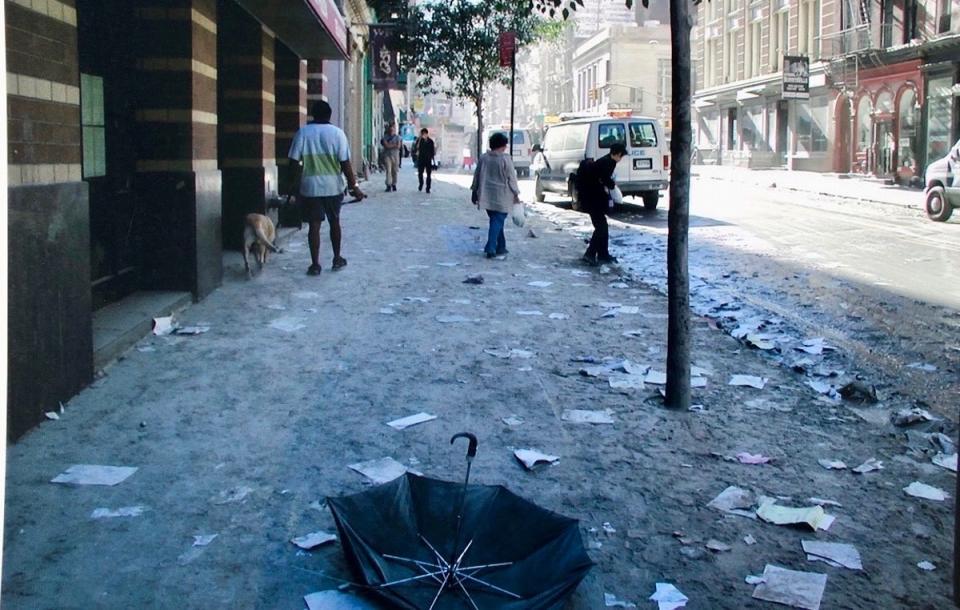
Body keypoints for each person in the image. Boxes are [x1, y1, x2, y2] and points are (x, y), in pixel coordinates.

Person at [288, 100, 366, 276]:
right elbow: (345, 164)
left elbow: (293, 162)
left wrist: (293, 186)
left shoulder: (303, 133)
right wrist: (355, 187)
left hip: (310, 186)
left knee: (314, 226)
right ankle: (337, 258)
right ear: (329, 115)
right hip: (333, 187)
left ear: (313, 114)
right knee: (334, 222)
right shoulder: (338, 134)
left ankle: (315, 264)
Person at [575, 142, 626, 266]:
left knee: (602, 226)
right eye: (621, 156)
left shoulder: (605, 160)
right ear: (618, 154)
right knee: (601, 227)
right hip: (593, 199)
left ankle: (603, 254)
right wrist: (612, 185)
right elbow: (604, 179)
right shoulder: (608, 163)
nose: (621, 159)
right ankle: (590, 254)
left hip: (592, 198)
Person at [471, 132, 520, 259]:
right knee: (497, 222)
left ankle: (501, 246)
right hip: (503, 196)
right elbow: (511, 178)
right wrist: (516, 194)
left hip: (487, 195)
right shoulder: (505, 159)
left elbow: (477, 176)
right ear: (502, 146)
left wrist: (474, 191)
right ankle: (491, 247)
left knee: (496, 221)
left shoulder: (484, 158)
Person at [412, 128, 436, 193]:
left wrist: (432, 157)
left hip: (428, 160)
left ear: (427, 134)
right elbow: (415, 149)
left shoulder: (430, 141)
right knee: (420, 173)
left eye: (425, 134)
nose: (424, 135)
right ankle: (421, 184)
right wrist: (419, 139)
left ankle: (428, 188)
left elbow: (433, 151)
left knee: (429, 175)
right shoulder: (419, 141)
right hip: (421, 159)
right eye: (422, 134)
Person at [380, 124, 401, 192]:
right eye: (390, 129)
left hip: (395, 156)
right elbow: (386, 146)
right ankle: (388, 185)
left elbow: (398, 146)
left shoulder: (398, 137)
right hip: (387, 155)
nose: (391, 130)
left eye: (393, 129)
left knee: (394, 171)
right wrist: (394, 145)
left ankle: (394, 184)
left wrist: (390, 145)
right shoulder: (385, 137)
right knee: (388, 170)